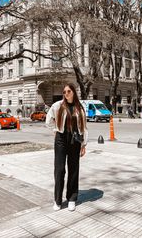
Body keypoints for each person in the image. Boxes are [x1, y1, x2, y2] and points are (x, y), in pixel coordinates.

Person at [46, 83, 88, 212]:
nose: (66, 94)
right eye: (64, 92)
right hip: (61, 140)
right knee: (59, 170)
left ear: (74, 92)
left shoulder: (79, 107)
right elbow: (48, 120)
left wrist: (83, 144)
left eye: (68, 91)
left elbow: (83, 127)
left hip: (75, 141)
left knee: (73, 169)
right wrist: (55, 130)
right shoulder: (58, 105)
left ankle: (71, 198)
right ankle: (57, 200)